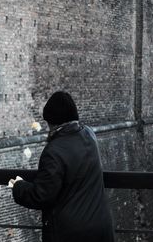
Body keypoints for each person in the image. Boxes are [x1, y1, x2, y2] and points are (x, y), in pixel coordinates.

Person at [9, 91, 114, 242]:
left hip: (71, 232)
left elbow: (42, 195)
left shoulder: (54, 151)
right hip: (101, 227)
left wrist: (18, 186)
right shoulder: (89, 135)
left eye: (48, 122)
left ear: (53, 121)